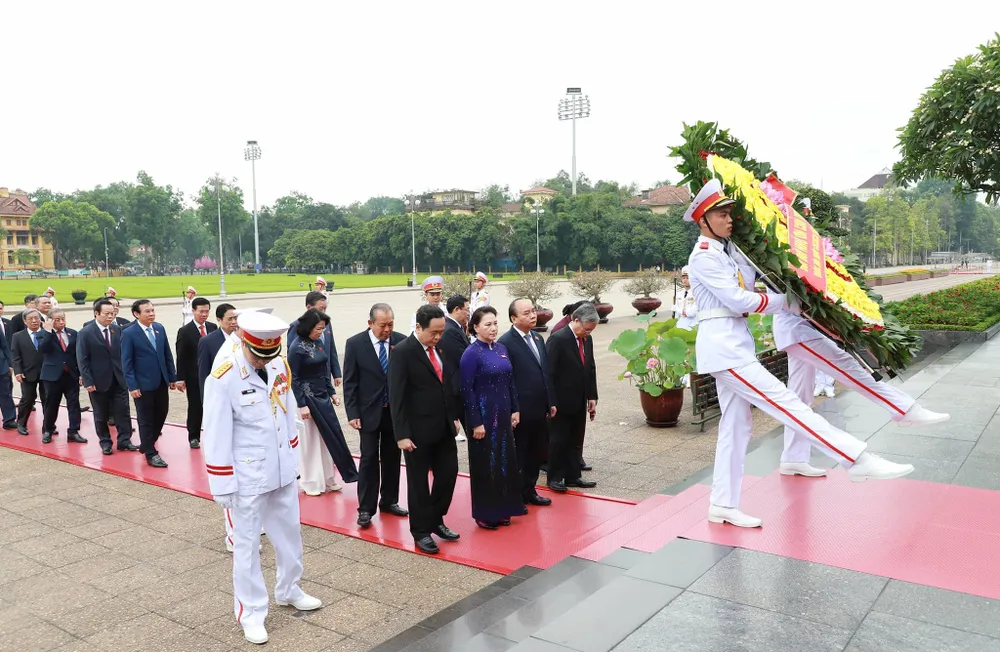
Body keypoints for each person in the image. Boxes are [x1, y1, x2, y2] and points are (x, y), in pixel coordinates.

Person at [683, 178, 914, 528]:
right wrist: (789, 302)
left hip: (732, 346)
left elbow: (750, 282)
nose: (729, 219)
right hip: (725, 351)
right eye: (721, 214)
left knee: (736, 426)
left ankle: (722, 504)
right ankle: (855, 458)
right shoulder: (704, 256)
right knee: (788, 405)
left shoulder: (727, 251)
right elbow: (738, 300)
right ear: (703, 220)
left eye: (730, 213)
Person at [202, 310, 322, 645]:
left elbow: (286, 410)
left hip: (281, 469)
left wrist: (294, 458)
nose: (262, 361)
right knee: (247, 547)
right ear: (243, 341)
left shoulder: (278, 364)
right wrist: (222, 482)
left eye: (268, 354)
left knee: (290, 536)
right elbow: (216, 433)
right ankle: (252, 613)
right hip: (247, 475)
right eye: (257, 354)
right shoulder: (224, 377)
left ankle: (290, 588)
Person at [773, 311, 948, 477]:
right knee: (848, 367)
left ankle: (793, 458)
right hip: (798, 329)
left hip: (799, 328)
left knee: (799, 398)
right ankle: (904, 409)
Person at [389, 304, 461, 555]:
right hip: (416, 431)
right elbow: (396, 396)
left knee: (449, 473)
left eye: (441, 332)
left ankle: (435, 519)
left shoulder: (440, 348)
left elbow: (446, 385)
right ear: (419, 327)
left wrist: (453, 417)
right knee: (418, 482)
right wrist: (401, 434)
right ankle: (420, 531)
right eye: (434, 332)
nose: (438, 337)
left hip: (443, 426)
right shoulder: (403, 352)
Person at [342, 303, 408, 529]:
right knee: (369, 459)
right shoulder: (355, 344)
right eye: (382, 325)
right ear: (370, 323)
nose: (387, 329)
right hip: (368, 413)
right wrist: (352, 412)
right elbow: (350, 382)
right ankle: (365, 509)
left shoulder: (401, 342)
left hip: (393, 412)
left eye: (391, 324)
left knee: (392, 457)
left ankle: (389, 501)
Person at [460, 307, 523, 529]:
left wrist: (515, 409)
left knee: (505, 462)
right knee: (485, 465)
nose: (493, 328)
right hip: (484, 418)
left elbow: (511, 381)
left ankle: (505, 508)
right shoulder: (471, 354)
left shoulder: (501, 348)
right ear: (475, 327)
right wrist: (476, 422)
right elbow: (466, 390)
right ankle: (485, 513)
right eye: (487, 324)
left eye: (495, 323)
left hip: (504, 415)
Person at [288, 308, 359, 495]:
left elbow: (323, 370)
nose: (321, 332)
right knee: (311, 440)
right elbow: (293, 377)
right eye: (318, 328)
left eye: (323, 329)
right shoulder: (296, 348)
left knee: (330, 437)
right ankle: (310, 481)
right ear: (308, 327)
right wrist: (302, 404)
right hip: (307, 398)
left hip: (322, 395)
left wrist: (332, 392)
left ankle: (329, 477)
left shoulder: (318, 342)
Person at [498, 299, 556, 507]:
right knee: (520, 453)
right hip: (521, 408)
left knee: (536, 451)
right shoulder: (506, 342)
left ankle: (530, 490)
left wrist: (551, 400)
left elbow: (545, 372)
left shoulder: (538, 338)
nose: (533, 315)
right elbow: (507, 380)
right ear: (513, 318)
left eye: (533, 311)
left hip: (540, 407)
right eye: (526, 313)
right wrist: (513, 408)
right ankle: (515, 495)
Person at [121, 299, 181, 468]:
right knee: (146, 418)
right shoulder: (129, 333)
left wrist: (172, 377)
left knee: (162, 413)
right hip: (142, 384)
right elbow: (127, 362)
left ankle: (147, 443)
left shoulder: (159, 328)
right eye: (147, 311)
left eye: (152, 310)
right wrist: (132, 386)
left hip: (161, 381)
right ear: (136, 314)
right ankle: (150, 453)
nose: (151, 314)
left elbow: (167, 354)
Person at [545, 302, 599, 493]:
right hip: (561, 400)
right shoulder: (558, 339)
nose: (588, 333)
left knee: (575, 438)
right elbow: (548, 373)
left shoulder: (587, 339)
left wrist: (592, 396)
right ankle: (555, 477)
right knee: (559, 439)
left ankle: (573, 476)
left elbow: (590, 368)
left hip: (580, 398)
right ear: (576, 320)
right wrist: (550, 401)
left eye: (591, 330)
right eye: (586, 328)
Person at [77, 298, 137, 454]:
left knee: (123, 412)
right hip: (98, 381)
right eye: (106, 314)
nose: (110, 316)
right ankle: (105, 442)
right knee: (101, 414)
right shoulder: (85, 333)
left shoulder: (117, 330)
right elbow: (82, 359)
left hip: (118, 379)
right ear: (96, 313)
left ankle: (124, 440)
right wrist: (88, 381)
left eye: (112, 313)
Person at [36, 309, 85, 444]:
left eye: (63, 319)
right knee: (52, 404)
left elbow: (77, 354)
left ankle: (73, 431)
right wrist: (48, 331)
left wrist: (80, 374)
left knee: (74, 404)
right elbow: (43, 349)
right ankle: (48, 430)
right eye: (57, 320)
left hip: (71, 374)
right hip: (52, 376)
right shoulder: (42, 334)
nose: (61, 322)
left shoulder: (73, 333)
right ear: (50, 320)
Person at [176, 297, 217, 449]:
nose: (204, 314)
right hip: (194, 376)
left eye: (207, 311)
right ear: (193, 311)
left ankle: (214, 434)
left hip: (213, 375)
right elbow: (181, 356)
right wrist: (180, 378)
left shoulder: (213, 327)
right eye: (201, 311)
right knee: (195, 406)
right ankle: (194, 436)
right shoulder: (185, 331)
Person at [287, 291, 342, 388]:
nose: (323, 312)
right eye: (321, 309)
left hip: (325, 377)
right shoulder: (296, 326)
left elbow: (331, 348)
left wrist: (336, 373)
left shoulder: (326, 324)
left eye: (325, 309)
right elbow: (293, 357)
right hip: (308, 380)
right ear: (309, 308)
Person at [440, 295, 471, 442]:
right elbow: (464, 358)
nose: (468, 313)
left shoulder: (457, 327)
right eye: (467, 310)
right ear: (457, 309)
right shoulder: (450, 330)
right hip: (459, 389)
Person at [11, 308, 45, 436]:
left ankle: (49, 426)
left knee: (48, 399)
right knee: (27, 399)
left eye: (37, 318)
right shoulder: (18, 336)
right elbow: (16, 356)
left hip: (46, 372)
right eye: (31, 319)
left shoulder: (48, 334)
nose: (34, 321)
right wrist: (18, 371)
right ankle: (21, 424)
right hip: (27, 373)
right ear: (25, 321)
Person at [198, 303, 238, 396]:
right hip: (220, 392)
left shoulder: (243, 338)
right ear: (219, 319)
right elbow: (204, 374)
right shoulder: (207, 342)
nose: (234, 322)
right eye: (230, 319)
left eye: (235, 318)